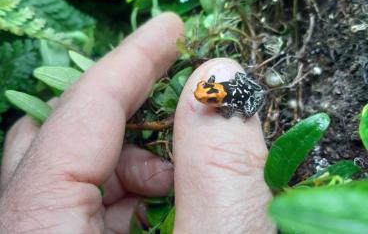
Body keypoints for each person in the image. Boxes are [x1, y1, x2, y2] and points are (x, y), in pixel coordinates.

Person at [0, 13, 275, 233]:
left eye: (207, 95)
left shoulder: (222, 99)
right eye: (203, 92)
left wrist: (233, 115)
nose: (201, 96)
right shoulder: (211, 92)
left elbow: (229, 102)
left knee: (246, 104)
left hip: (239, 94)